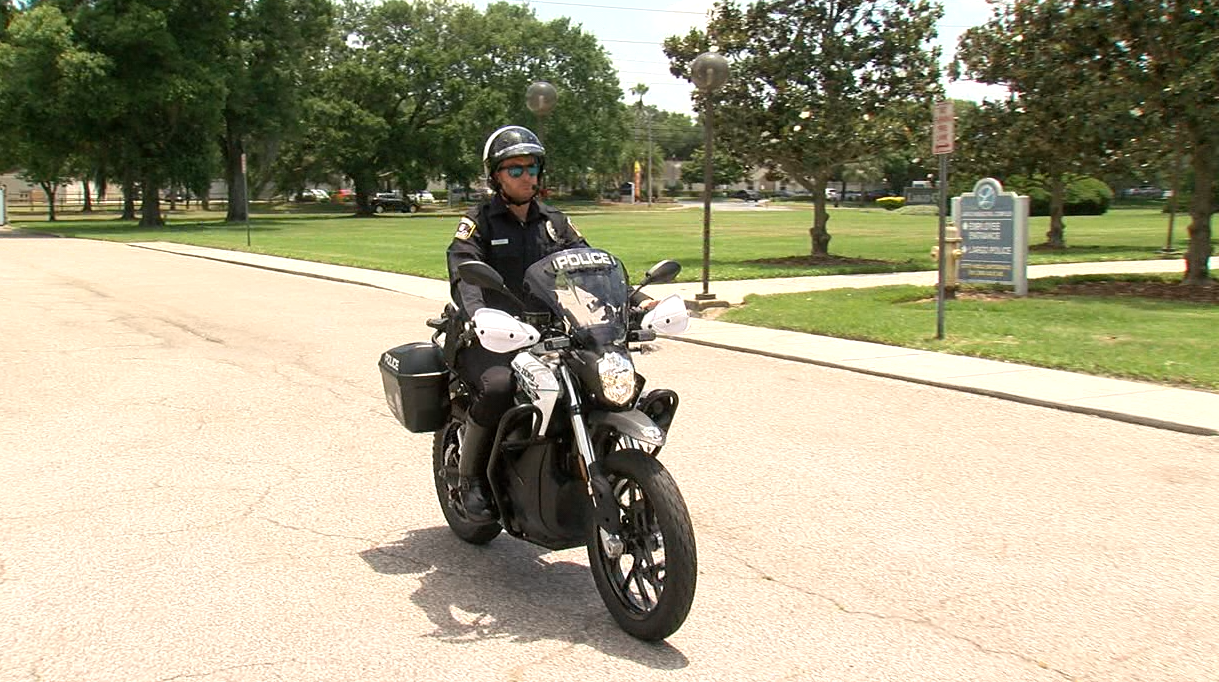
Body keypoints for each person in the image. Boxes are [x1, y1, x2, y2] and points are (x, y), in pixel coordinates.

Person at [445, 125, 589, 522]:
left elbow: (588, 264)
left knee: (597, 377)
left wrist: (634, 300)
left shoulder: (555, 222)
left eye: (532, 167)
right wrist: (478, 315)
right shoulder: (479, 222)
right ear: (496, 176)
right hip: (492, 336)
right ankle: (471, 480)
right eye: (516, 169)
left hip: (546, 333)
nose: (527, 176)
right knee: (499, 386)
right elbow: (464, 273)